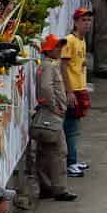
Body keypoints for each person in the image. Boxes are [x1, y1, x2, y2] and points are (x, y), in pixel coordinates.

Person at [33, 34, 76, 202]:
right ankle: (59, 189)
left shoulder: (46, 65)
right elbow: (45, 88)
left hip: (48, 113)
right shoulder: (49, 66)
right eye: (57, 47)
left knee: (45, 152)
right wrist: (54, 107)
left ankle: (47, 187)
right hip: (52, 114)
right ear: (49, 50)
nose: (60, 50)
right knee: (59, 151)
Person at [61, 8, 92, 178]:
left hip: (80, 89)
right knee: (70, 128)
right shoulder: (69, 41)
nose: (87, 23)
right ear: (75, 22)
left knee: (75, 127)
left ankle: (73, 160)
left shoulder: (81, 41)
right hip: (73, 91)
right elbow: (63, 67)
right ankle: (70, 163)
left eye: (88, 20)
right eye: (84, 20)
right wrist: (69, 91)